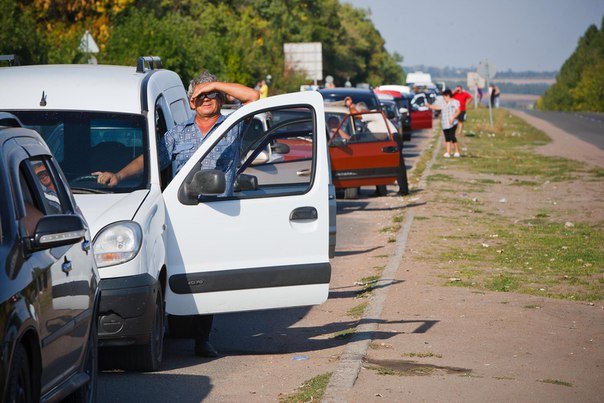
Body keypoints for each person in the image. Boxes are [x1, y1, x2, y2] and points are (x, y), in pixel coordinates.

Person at [93, 70, 259, 357]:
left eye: (213, 94)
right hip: (182, 213)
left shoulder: (232, 126)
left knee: (207, 277)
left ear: (220, 98)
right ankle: (169, 326)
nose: (207, 98)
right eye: (201, 95)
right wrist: (118, 176)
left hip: (218, 214)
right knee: (179, 274)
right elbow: (152, 159)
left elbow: (254, 98)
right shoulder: (178, 133)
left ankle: (202, 338)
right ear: (192, 103)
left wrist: (214, 84)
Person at [426, 89, 461, 158]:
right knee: (447, 138)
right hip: (445, 123)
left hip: (452, 122)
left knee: (452, 136)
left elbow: (458, 111)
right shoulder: (443, 103)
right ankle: (448, 152)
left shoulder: (454, 102)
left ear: (448, 95)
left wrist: (453, 117)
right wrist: (429, 106)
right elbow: (437, 107)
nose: (444, 98)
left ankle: (457, 151)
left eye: (444, 96)